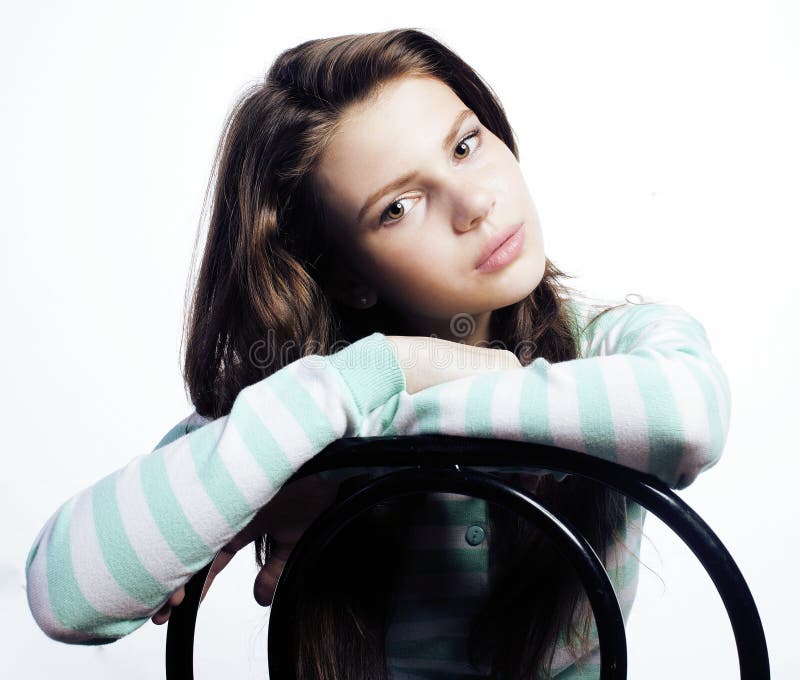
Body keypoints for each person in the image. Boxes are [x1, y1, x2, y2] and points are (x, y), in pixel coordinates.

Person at [24, 28, 731, 679]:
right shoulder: (312, 399)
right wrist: (377, 374)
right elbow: (67, 592)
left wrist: (363, 431)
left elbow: (689, 419)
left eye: (465, 144)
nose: (473, 203)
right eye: (398, 206)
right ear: (349, 278)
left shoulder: (608, 346)